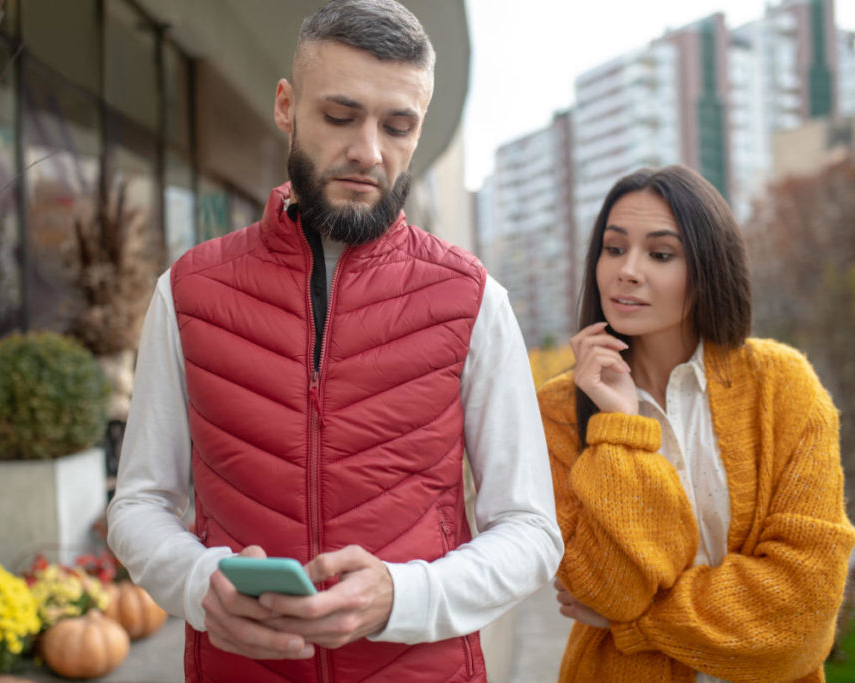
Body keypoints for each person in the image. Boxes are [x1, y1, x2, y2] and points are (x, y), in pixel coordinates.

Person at [106, 1, 563, 681]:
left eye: (397, 125)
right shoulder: (187, 292)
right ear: (287, 106)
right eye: (340, 116)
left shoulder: (475, 301)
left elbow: (531, 532)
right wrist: (199, 584)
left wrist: (401, 596)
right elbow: (140, 503)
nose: (368, 151)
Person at [538, 164, 855, 682]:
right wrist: (621, 426)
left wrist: (638, 622)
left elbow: (802, 614)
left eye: (660, 254)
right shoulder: (557, 410)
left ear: (709, 267)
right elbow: (603, 588)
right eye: (614, 248)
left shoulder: (783, 387)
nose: (627, 270)